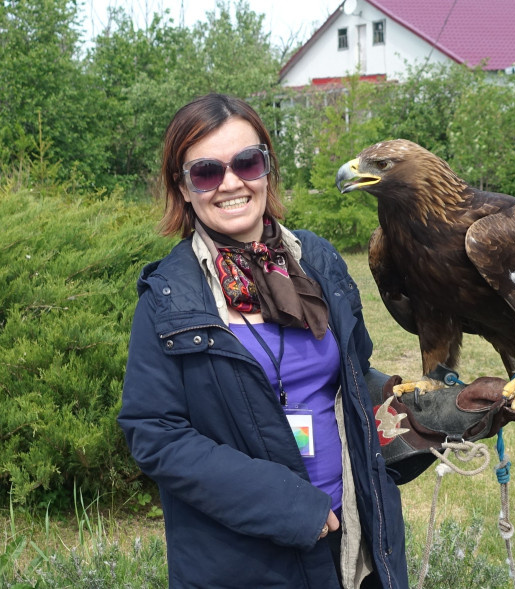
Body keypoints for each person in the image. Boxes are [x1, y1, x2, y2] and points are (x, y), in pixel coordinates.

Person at [117, 93, 408, 588]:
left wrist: (426, 415)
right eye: (207, 172)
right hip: (242, 556)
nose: (231, 183)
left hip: (354, 534)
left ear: (267, 168)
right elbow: (155, 434)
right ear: (183, 187)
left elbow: (354, 377)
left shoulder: (317, 261)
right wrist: (291, 507)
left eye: (247, 162)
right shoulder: (168, 296)